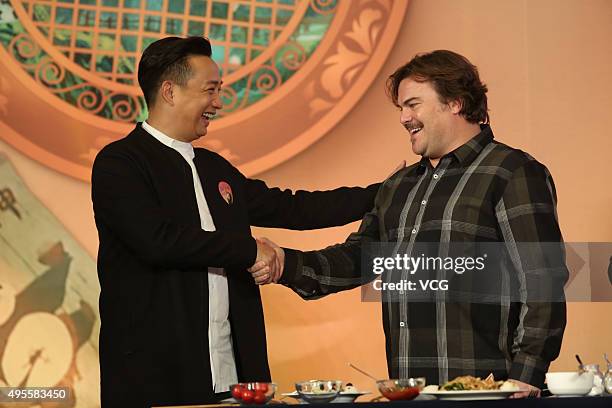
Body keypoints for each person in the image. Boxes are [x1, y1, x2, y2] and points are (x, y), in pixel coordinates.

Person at [91, 36, 385, 407]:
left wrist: (382, 194)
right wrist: (249, 249)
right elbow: (158, 240)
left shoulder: (214, 168)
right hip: (154, 376)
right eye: (210, 90)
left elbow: (291, 208)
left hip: (232, 376)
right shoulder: (120, 164)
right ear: (169, 91)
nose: (218, 102)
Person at [255, 50, 568, 398]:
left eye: (413, 104)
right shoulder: (397, 186)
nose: (404, 117)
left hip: (492, 391)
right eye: (401, 108)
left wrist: (528, 371)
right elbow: (360, 257)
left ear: (455, 102)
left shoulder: (512, 172)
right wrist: (286, 263)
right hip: (410, 391)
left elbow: (542, 277)